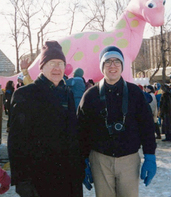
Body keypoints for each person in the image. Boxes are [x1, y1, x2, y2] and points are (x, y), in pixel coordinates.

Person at [8, 41, 84, 197]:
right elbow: (16, 141)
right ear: (41, 67)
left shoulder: (67, 93)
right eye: (52, 63)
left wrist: (80, 167)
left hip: (68, 178)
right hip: (39, 179)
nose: (57, 68)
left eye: (61, 63)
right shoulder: (26, 94)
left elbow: (72, 134)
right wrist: (21, 180)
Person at [78, 46, 157, 197]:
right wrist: (83, 161)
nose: (112, 66)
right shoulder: (90, 95)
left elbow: (147, 127)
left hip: (129, 159)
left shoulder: (135, 93)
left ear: (122, 66)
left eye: (117, 62)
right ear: (102, 66)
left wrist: (150, 155)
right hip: (100, 159)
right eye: (108, 62)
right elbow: (81, 130)